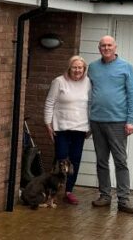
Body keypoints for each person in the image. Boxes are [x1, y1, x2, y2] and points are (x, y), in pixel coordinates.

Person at [87, 35, 133, 215]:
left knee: (120, 161)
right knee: (101, 161)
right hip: (97, 121)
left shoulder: (126, 67)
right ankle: (105, 196)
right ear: (99, 47)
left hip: (118, 122)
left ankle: (124, 200)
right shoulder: (92, 68)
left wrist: (131, 120)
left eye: (109, 45)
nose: (106, 48)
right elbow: (87, 94)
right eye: (103, 45)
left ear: (115, 47)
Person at [43, 55, 90, 206]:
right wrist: (48, 123)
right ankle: (52, 191)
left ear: (84, 69)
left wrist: (90, 127)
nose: (77, 70)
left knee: (75, 160)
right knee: (61, 159)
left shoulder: (88, 83)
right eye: (74, 67)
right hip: (61, 128)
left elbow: (91, 105)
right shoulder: (59, 82)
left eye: (80, 68)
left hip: (80, 128)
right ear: (69, 68)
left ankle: (68, 191)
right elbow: (49, 103)